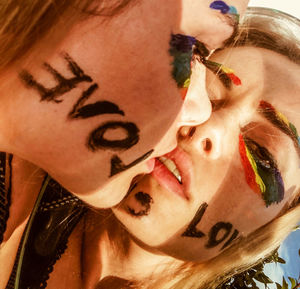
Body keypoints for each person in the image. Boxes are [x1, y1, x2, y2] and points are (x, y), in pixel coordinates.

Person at [31, 7, 298, 289]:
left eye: (263, 154)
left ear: (274, 223)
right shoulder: (16, 174)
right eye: (206, 93)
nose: (206, 128)